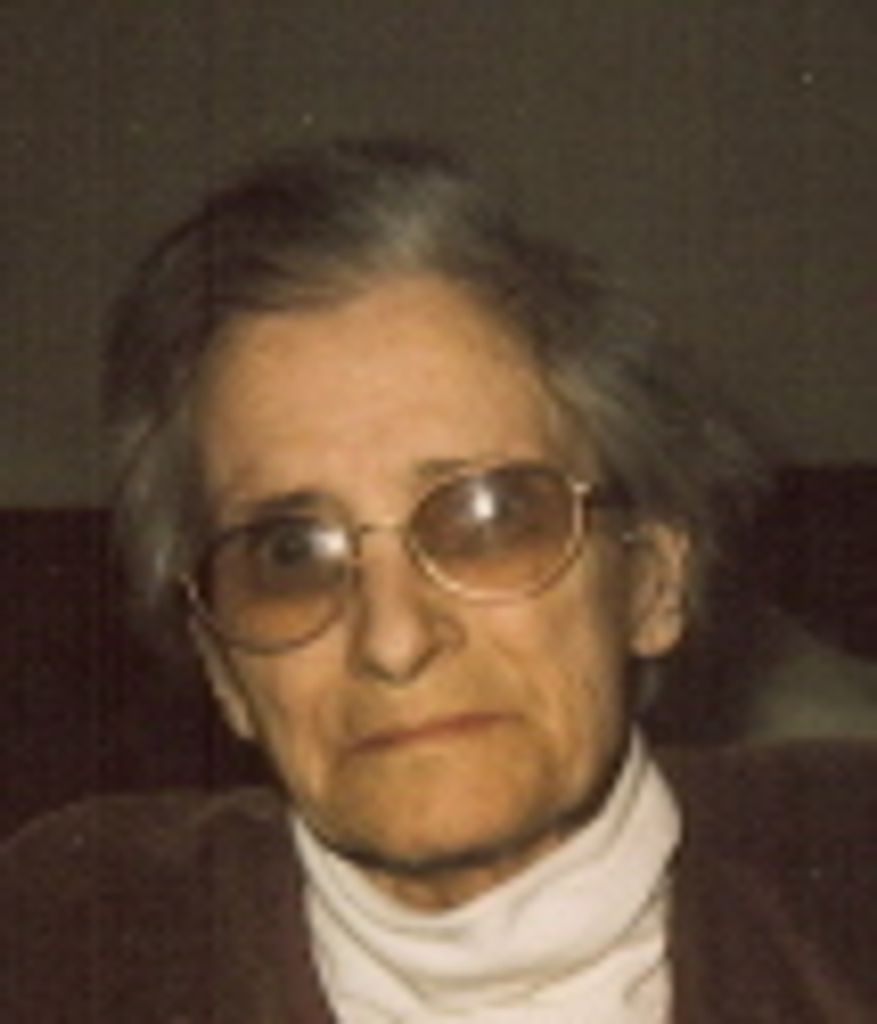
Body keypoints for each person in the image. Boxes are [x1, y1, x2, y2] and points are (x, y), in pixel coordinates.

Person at [2, 138, 875, 1023]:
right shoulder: (66, 951)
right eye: (288, 554)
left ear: (649, 579)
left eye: (489, 519)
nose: (394, 639)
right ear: (223, 667)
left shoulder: (841, 901)